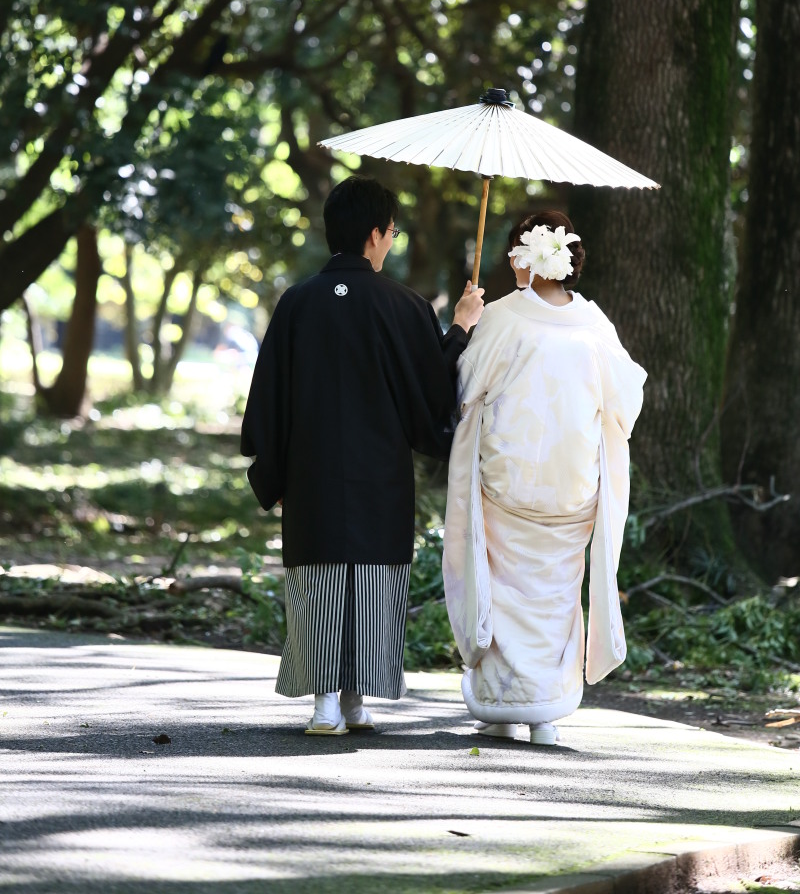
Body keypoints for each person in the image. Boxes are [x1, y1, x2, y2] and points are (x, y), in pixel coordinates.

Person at [241, 176, 484, 735]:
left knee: (321, 575)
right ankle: (353, 701)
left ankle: (327, 704)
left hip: (311, 471)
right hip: (379, 473)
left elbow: (268, 397)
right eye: (392, 232)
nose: (392, 241)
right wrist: (462, 327)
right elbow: (431, 391)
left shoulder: (297, 303)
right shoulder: (405, 306)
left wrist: (272, 469)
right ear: (375, 234)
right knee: (372, 580)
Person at [443, 209, 646, 745]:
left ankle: (505, 704)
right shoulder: (594, 325)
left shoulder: (504, 317)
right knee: (557, 595)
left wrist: (475, 318)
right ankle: (547, 714)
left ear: (525, 258)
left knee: (505, 589)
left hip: (510, 481)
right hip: (571, 485)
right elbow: (626, 401)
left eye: (515, 251)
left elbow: (463, 387)